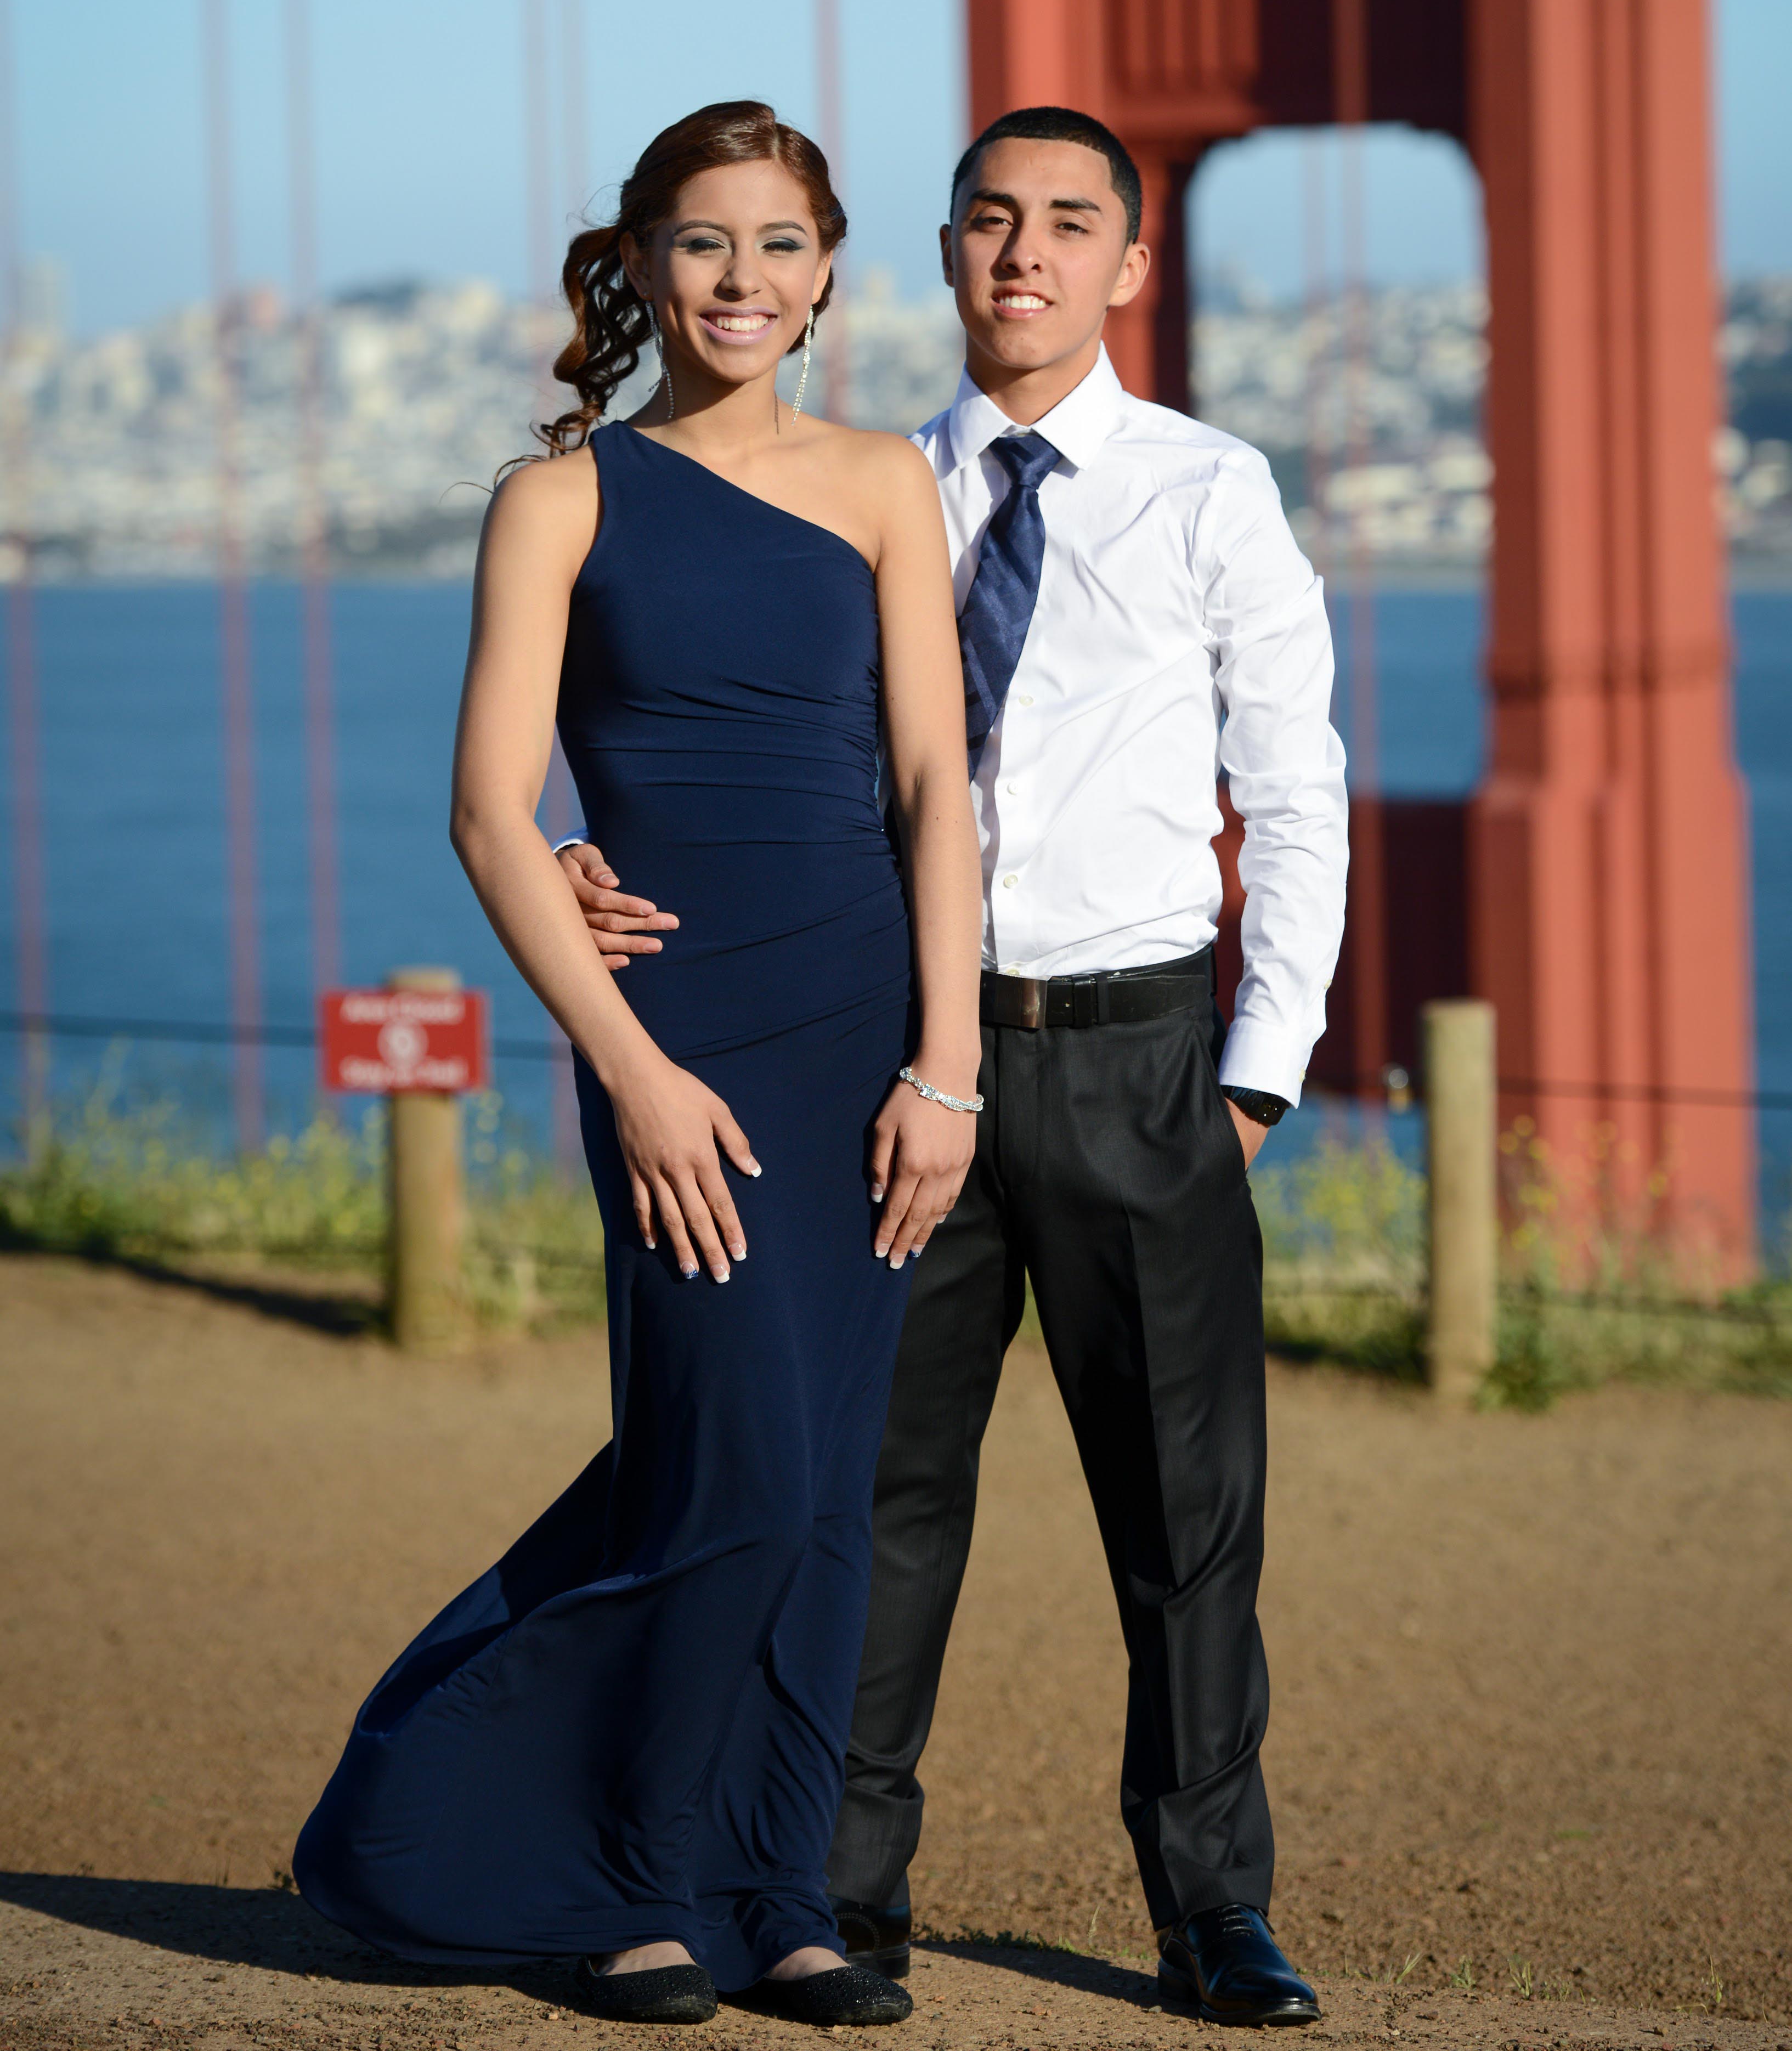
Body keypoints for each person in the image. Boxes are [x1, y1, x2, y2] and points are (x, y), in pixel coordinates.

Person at [558, 105, 1349, 2026]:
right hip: (883, 1065)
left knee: (1183, 1518)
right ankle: (829, 1888)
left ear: (1128, 268)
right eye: (991, 218)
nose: (1025, 254)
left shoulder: (1207, 486)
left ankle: (1209, 1913)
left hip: (1135, 1058)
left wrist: (1251, 1081)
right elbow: (713, 709)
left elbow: (1294, 787)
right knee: (872, 1497)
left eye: (1070, 225)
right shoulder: (850, 481)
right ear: (928, 250)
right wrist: (597, 851)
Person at [295, 101, 984, 2030]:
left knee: (828, 1484)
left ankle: (779, 1892)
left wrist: (949, 1067)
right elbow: (492, 814)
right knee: (731, 1473)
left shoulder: (878, 486)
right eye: (702, 244)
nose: (741, 281)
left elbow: (934, 788)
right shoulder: (562, 496)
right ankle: (620, 1882)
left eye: (777, 245)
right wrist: (626, 1068)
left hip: (865, 1029)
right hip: (672, 1038)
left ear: (830, 270)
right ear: (640, 264)